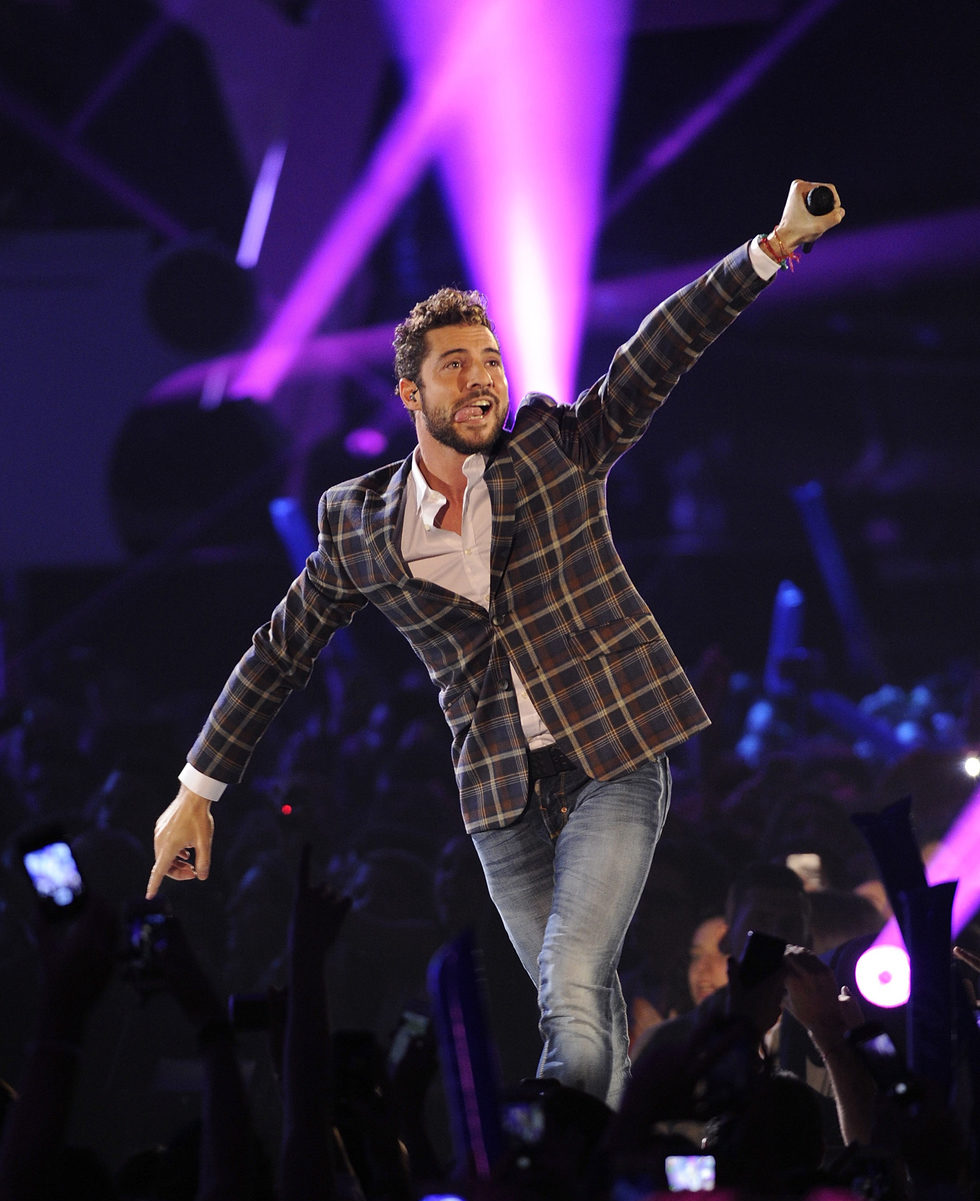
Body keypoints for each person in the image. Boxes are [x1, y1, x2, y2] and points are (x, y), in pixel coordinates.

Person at [148, 180, 845, 1108]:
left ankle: (552, 1164)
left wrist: (768, 249)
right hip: (497, 794)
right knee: (581, 999)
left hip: (613, 758)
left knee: (568, 975)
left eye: (490, 360)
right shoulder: (357, 523)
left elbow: (658, 353)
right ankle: (611, 1192)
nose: (481, 378)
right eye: (455, 365)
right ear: (409, 392)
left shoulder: (556, 449)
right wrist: (195, 793)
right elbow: (277, 653)